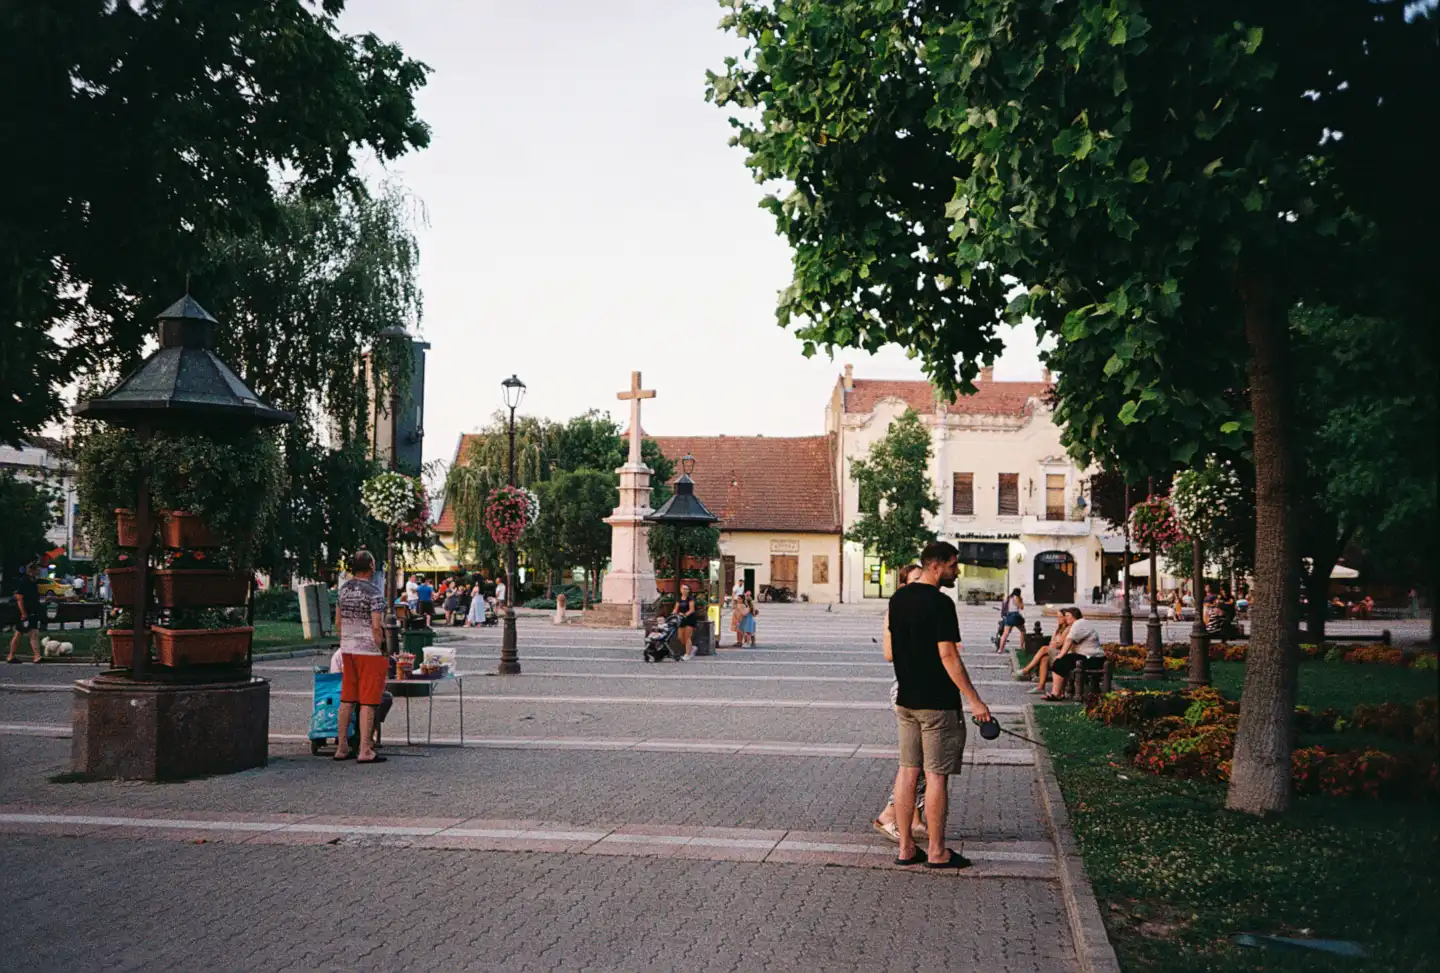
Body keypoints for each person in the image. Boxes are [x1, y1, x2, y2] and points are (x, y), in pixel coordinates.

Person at [885, 541, 992, 869]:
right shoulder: (941, 604)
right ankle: (936, 851)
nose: (957, 571)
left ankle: (905, 848)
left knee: (907, 771)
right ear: (937, 566)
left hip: (905, 700)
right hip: (937, 703)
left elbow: (893, 649)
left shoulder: (897, 598)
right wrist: (975, 701)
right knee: (935, 777)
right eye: (953, 565)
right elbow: (948, 655)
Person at [874, 564, 926, 843]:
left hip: (924, 690)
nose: (921, 584)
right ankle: (889, 813)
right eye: (915, 580)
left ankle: (914, 819)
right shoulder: (896, 611)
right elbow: (888, 654)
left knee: (923, 762)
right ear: (903, 585)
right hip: (907, 691)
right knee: (914, 763)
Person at [333, 550, 388, 764]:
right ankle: (365, 749)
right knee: (368, 700)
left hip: (348, 649)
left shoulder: (343, 590)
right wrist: (382, 646)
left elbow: (338, 622)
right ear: (371, 566)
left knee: (347, 698)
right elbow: (376, 626)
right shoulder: (374, 592)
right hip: (369, 652)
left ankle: (341, 747)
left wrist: (345, 640)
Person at [1045, 606, 1104, 701]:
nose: (1066, 618)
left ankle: (1056, 694)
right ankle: (1059, 693)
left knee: (1059, 662)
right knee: (1063, 661)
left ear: (1074, 616)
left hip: (1092, 659)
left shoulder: (1078, 623)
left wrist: (1060, 656)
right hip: (1093, 658)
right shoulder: (1082, 623)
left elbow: (1069, 640)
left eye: (1068, 615)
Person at [1016, 609, 1072, 694]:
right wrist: (1053, 643)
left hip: (1063, 653)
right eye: (1057, 617)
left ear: (1065, 618)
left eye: (1060, 617)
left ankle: (1027, 670)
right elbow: (1053, 642)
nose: (1058, 619)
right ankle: (1040, 686)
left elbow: (1060, 644)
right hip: (1055, 652)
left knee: (1043, 649)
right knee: (1044, 659)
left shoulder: (1068, 629)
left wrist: (1054, 644)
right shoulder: (1059, 628)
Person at [6, 562, 43, 664]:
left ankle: (35, 655)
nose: (39, 572)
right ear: (32, 570)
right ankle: (13, 655)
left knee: (28, 633)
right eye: (37, 570)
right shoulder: (24, 582)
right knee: (24, 633)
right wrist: (23, 613)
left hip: (32, 611)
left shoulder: (33, 582)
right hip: (25, 612)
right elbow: (19, 598)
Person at [675, 584, 699, 661]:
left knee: (687, 637)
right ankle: (692, 648)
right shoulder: (679, 599)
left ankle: (687, 654)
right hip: (681, 619)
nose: (684, 590)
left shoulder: (690, 599)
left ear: (688, 591)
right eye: (683, 588)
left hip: (689, 619)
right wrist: (674, 613)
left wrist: (685, 614)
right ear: (680, 590)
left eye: (686, 589)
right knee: (680, 637)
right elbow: (676, 609)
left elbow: (692, 610)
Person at [996, 588, 1025, 653]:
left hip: (1008, 616)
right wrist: (1021, 601)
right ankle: (1021, 647)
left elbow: (1004, 606)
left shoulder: (1008, 598)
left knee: (1005, 634)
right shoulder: (1016, 598)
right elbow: (1021, 607)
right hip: (1015, 616)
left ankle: (1000, 649)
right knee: (1023, 631)